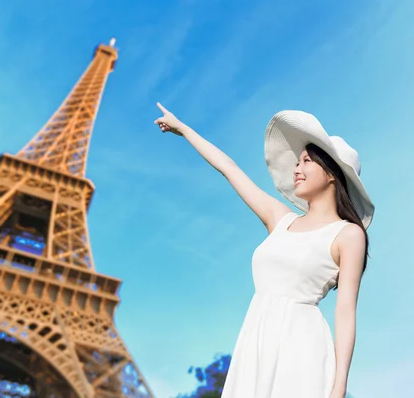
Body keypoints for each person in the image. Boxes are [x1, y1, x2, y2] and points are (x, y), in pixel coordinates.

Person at [154, 103, 374, 398]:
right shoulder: (279, 218)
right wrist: (184, 130)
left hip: (301, 346)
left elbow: (346, 311)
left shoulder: (348, 234)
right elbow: (229, 169)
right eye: (297, 162)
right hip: (255, 340)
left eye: (306, 161)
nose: (297, 168)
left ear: (332, 174)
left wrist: (339, 385)